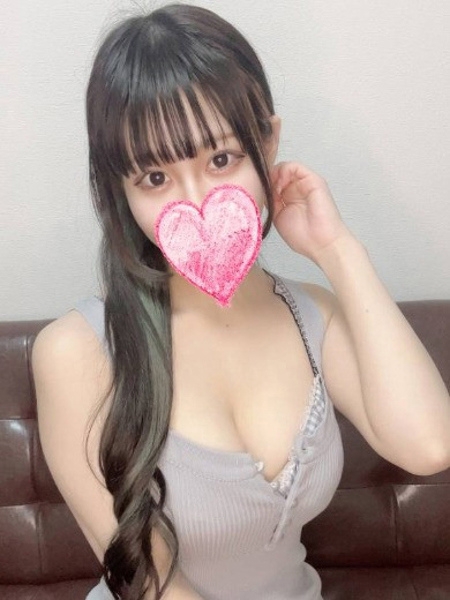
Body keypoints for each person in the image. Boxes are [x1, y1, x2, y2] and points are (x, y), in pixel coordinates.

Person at [31, 3, 450, 600]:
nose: (196, 200)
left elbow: (429, 445)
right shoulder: (76, 352)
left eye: (221, 159)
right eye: (155, 178)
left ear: (267, 142)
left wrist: (338, 251)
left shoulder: (313, 318)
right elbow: (149, 584)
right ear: (121, 189)